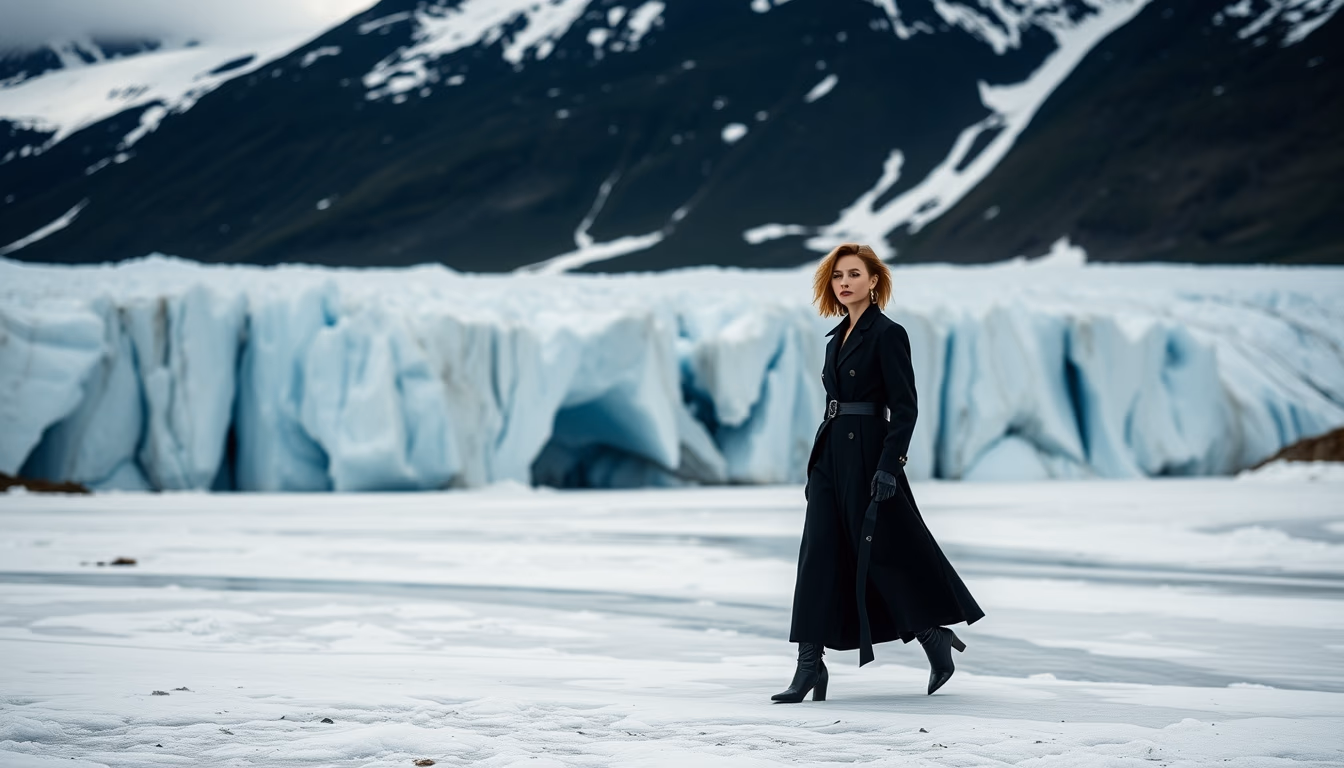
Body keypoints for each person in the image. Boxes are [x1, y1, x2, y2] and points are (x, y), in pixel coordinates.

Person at [773, 243, 984, 703]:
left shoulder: (888, 334)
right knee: (817, 556)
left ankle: (933, 636)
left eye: (853, 274)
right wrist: (819, 463)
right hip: (831, 454)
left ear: (873, 281)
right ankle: (809, 665)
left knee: (885, 554)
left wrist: (890, 466)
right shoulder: (836, 337)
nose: (844, 283)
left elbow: (905, 408)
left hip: (870, 454)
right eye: (837, 276)